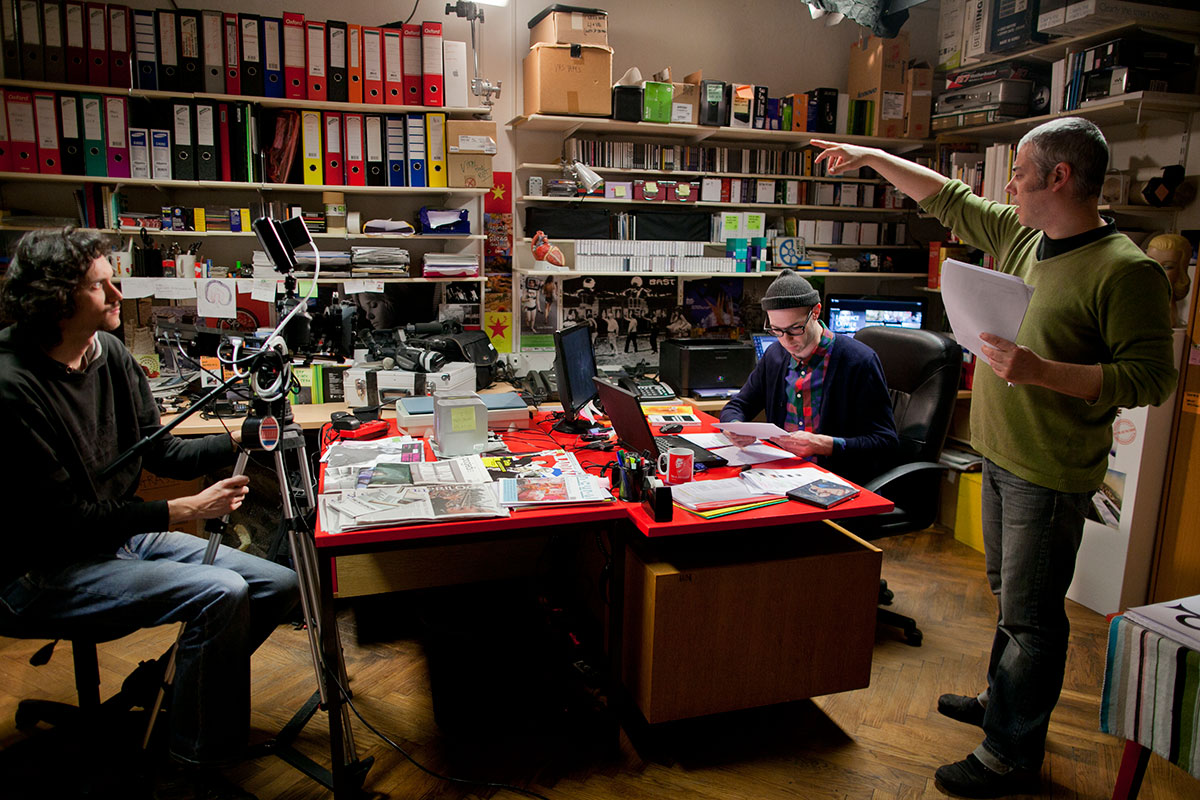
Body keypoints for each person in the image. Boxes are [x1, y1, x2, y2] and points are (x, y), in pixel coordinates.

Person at [812, 118, 1177, 796]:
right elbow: (945, 197)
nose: (1006, 186)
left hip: (1051, 465)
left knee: (1033, 618)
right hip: (1000, 452)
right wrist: (869, 156)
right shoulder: (1024, 235)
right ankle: (1002, 702)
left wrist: (1046, 372)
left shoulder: (1128, 272)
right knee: (1010, 598)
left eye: (1018, 172)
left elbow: (1152, 379)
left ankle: (1009, 753)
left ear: (1059, 177)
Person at [0, 229, 301, 799]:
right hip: (40, 569)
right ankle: (190, 767)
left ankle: (163, 693)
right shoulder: (11, 388)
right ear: (56, 298)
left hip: (115, 538)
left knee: (277, 583)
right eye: (101, 285)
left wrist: (249, 438)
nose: (117, 294)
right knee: (222, 593)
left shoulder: (107, 352)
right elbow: (65, 522)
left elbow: (159, 450)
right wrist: (181, 508)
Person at [719, 270, 897, 486]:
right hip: (779, 476)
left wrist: (826, 445)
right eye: (776, 330)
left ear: (816, 312)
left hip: (837, 482)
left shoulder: (859, 361)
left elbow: (885, 443)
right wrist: (735, 426)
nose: (786, 340)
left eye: (795, 329)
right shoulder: (775, 356)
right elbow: (738, 405)